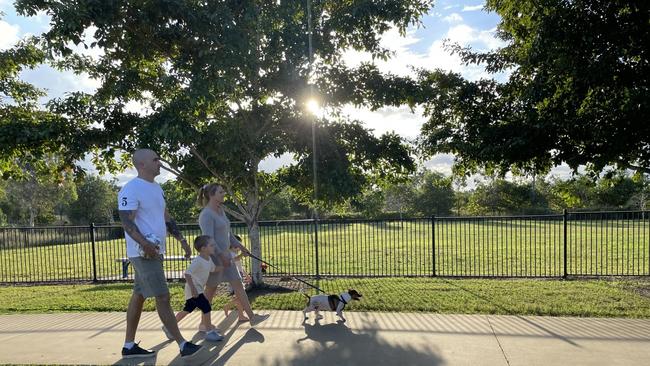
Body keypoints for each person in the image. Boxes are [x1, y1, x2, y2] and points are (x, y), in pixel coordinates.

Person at [117, 148, 201, 359]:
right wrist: (144, 244)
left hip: (154, 251)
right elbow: (126, 222)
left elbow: (165, 216)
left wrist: (181, 239)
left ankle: (128, 346)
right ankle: (183, 345)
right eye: (155, 159)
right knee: (163, 296)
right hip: (143, 253)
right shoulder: (131, 189)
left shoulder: (157, 188)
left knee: (139, 295)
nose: (159, 162)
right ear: (142, 164)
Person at [197, 183, 268, 327]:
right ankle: (204, 324)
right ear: (212, 195)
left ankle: (252, 317)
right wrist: (221, 256)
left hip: (226, 257)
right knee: (210, 292)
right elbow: (208, 239)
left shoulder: (220, 210)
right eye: (221, 192)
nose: (224, 194)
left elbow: (228, 234)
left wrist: (241, 247)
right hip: (215, 259)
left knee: (239, 286)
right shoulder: (206, 215)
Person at [163, 235, 224, 342]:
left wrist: (225, 265)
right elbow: (187, 274)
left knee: (187, 309)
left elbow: (213, 270)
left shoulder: (208, 259)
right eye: (212, 245)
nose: (214, 247)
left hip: (197, 289)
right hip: (194, 290)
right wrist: (193, 289)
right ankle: (209, 332)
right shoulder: (198, 261)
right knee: (206, 307)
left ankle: (168, 326)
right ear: (203, 248)